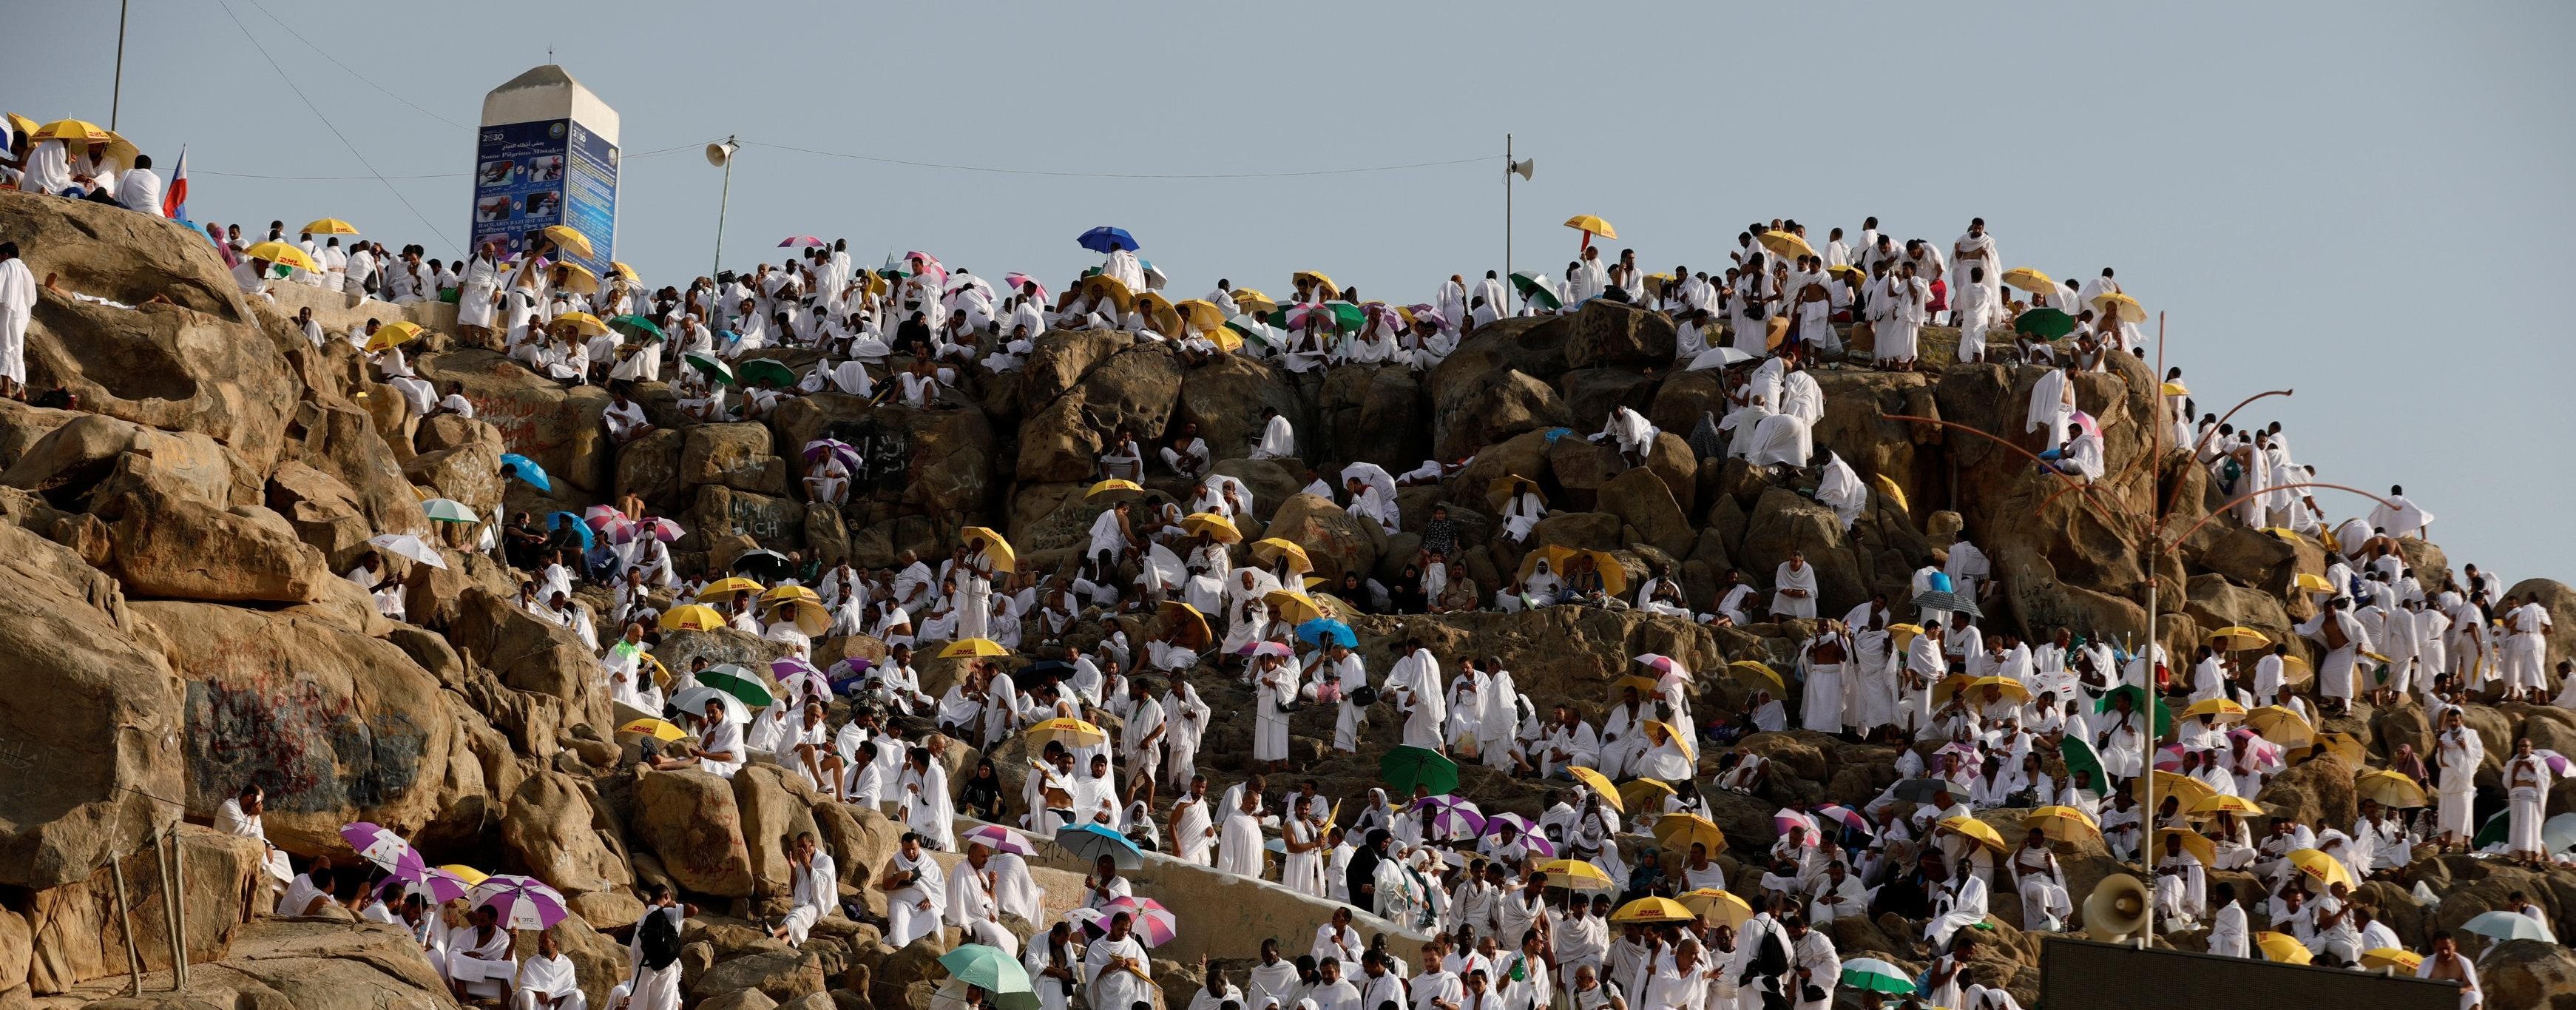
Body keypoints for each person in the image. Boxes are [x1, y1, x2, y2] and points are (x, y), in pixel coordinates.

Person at [1084, 911, 1156, 1010]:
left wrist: (1136, 961)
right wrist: (1111, 966)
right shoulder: (1097, 946)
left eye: (1127, 930)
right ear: (1112, 925)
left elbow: (1146, 966)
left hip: (1131, 997)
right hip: (1108, 997)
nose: (1124, 933)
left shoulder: (1133, 944)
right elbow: (1089, 971)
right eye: (1121, 929)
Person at [511, 929, 584, 1010]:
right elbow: (525, 985)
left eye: (544, 942)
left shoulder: (567, 963)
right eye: (539, 942)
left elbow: (570, 988)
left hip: (561, 1006)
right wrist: (536, 991)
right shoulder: (531, 962)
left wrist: (560, 998)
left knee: (578, 994)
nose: (540, 945)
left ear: (555, 944)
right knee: (526, 994)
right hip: (540, 1004)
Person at [0, 242, 35, 402]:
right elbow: (32, 298)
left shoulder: (6, 266)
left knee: (4, 346)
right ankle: (21, 391)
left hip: (7, 312)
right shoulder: (25, 270)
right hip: (21, 315)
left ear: (5, 255)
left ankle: (6, 389)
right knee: (17, 349)